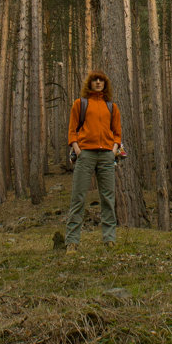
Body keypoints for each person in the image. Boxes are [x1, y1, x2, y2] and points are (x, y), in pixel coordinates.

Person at [64, 69, 123, 251]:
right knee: (78, 197)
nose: (98, 83)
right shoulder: (80, 104)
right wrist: (77, 149)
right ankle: (72, 241)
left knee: (108, 198)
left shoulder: (111, 107)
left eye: (101, 80)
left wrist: (113, 150)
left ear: (105, 84)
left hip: (106, 155)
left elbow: (117, 132)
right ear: (89, 84)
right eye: (95, 80)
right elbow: (72, 129)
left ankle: (109, 239)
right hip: (86, 154)